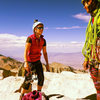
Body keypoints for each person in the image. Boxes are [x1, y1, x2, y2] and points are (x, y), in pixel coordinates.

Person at [21, 19, 50, 96]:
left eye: (42, 28)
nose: (41, 29)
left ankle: (38, 93)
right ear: (35, 29)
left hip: (37, 61)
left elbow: (45, 52)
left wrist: (47, 63)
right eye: (39, 28)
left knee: (41, 77)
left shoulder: (43, 40)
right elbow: (25, 52)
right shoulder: (30, 38)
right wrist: (26, 63)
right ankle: (22, 95)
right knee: (28, 79)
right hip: (30, 61)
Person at [82, 0, 100, 99]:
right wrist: (86, 59)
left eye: (85, 2)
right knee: (96, 82)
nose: (84, 6)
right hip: (94, 57)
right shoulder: (93, 18)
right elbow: (90, 40)